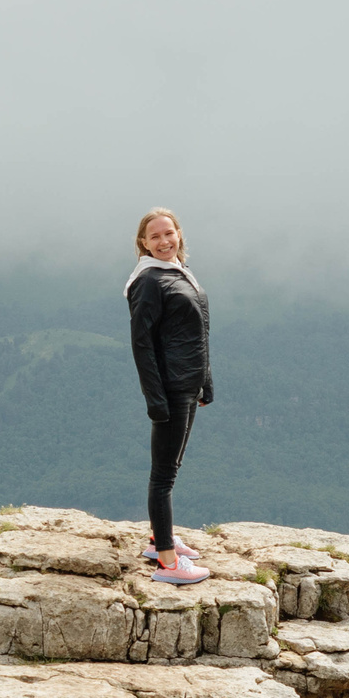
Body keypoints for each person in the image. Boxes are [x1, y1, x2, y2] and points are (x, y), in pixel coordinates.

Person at [126, 208, 213, 585]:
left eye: (169, 233)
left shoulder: (178, 273)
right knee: (163, 475)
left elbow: (197, 331)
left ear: (179, 234)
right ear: (143, 243)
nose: (164, 241)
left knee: (170, 468)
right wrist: (154, 398)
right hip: (171, 388)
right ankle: (167, 560)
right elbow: (141, 344)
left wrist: (206, 381)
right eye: (155, 237)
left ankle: (157, 538)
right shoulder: (148, 281)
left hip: (187, 384)